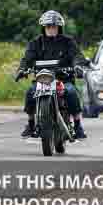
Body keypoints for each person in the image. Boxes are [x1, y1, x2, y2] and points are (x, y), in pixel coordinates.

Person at [15, 10, 88, 139]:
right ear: (44, 28)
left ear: (59, 27)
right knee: (30, 92)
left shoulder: (68, 42)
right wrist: (22, 69)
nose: (51, 29)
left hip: (63, 79)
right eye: (48, 26)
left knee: (71, 92)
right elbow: (27, 59)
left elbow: (77, 55)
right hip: (42, 80)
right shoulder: (35, 43)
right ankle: (31, 123)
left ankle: (77, 125)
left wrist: (78, 66)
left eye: (54, 26)